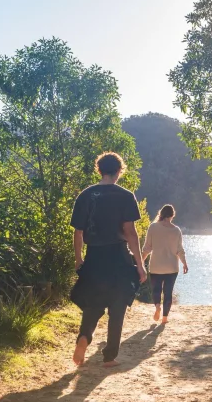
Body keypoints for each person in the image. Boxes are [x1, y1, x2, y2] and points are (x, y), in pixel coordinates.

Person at [69, 152, 146, 367]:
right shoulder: (125, 196)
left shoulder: (86, 195)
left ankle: (84, 337)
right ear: (119, 171)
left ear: (99, 169)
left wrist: (79, 258)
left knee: (93, 303)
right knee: (117, 305)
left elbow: (78, 232)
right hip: (118, 256)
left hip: (94, 255)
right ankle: (109, 356)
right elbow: (130, 232)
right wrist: (140, 265)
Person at [142, 204, 188, 324]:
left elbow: (147, 248)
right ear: (172, 215)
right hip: (172, 268)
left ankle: (157, 306)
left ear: (161, 214)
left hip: (156, 266)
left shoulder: (153, 227)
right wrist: (184, 263)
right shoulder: (176, 230)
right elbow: (179, 250)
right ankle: (165, 318)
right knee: (168, 292)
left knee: (156, 290)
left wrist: (140, 261)